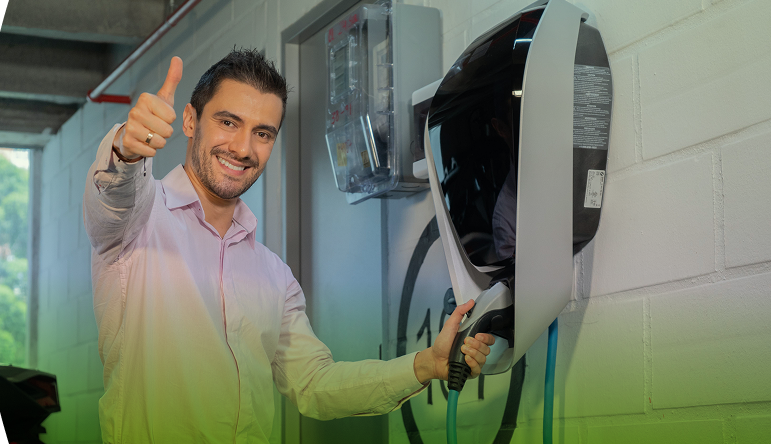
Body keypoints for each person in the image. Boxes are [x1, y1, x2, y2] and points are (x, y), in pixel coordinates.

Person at [83, 48, 495, 443]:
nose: (243, 149)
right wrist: (125, 149)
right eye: (228, 122)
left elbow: (316, 385)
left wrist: (424, 365)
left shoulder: (273, 275)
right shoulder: (137, 224)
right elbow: (114, 194)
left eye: (262, 133)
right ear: (190, 121)